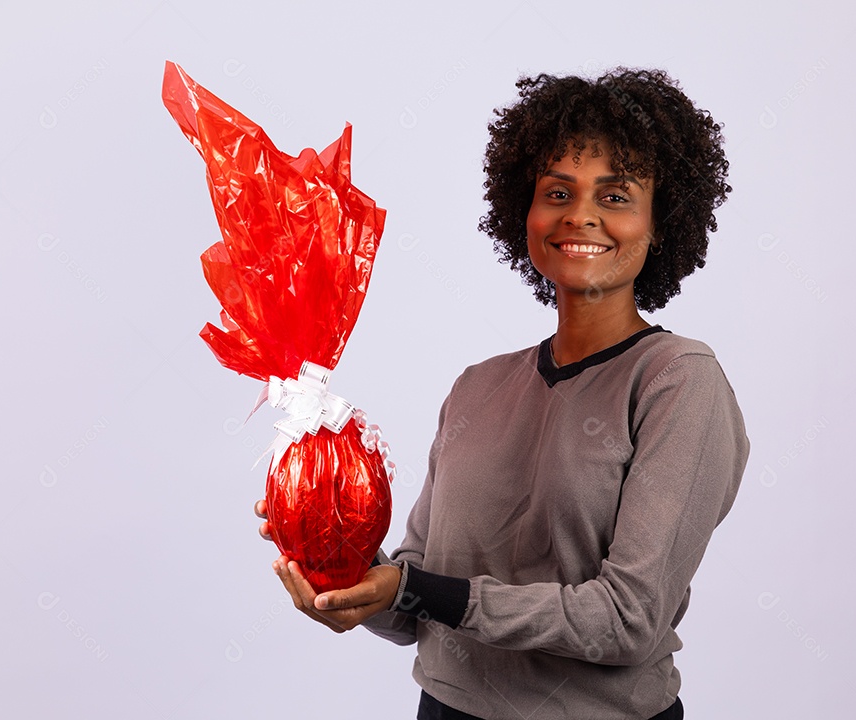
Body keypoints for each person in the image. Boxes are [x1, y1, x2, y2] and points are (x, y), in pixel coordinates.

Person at [255, 68, 750, 719]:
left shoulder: (677, 381)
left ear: (662, 222)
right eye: (557, 191)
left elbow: (628, 619)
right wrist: (344, 567)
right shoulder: (477, 386)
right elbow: (413, 608)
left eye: (617, 195)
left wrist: (418, 589)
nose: (582, 215)